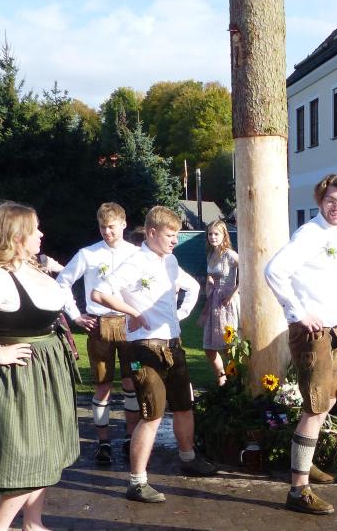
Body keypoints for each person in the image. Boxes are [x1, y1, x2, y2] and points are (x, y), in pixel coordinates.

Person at [0, 202, 80, 531]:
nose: (41, 233)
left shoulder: (32, 267)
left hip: (47, 369)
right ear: (16, 235)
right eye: (34, 229)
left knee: (48, 449)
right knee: (27, 456)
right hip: (19, 376)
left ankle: (33, 522)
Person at [90, 205, 216, 504]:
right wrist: (134, 312)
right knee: (152, 414)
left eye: (177, 235)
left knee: (184, 406)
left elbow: (193, 286)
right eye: (170, 235)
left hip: (173, 345)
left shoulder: (170, 261)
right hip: (144, 348)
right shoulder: (136, 261)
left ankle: (188, 458)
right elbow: (100, 293)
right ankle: (136, 482)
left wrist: (180, 314)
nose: (175, 240)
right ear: (151, 232)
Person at [264, 173, 337, 515]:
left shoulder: (332, 232)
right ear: (321, 200)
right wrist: (299, 313)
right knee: (316, 405)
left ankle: (307, 460)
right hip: (312, 334)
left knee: (327, 400)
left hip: (332, 331)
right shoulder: (310, 233)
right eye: (331, 200)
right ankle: (298, 488)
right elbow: (274, 270)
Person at [57, 202, 140, 464]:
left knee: (131, 382)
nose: (107, 232)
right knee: (102, 385)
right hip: (99, 326)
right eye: (103, 227)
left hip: (129, 327)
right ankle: (103, 442)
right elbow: (63, 282)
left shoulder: (138, 254)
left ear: (124, 224)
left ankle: (130, 439)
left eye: (112, 227)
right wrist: (76, 315)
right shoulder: (88, 254)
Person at [198, 219, 240, 385]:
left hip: (227, 303)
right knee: (209, 347)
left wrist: (233, 294)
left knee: (229, 347)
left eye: (216, 234)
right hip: (213, 302)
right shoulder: (211, 254)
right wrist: (209, 280)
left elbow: (248, 270)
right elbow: (212, 274)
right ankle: (222, 380)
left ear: (224, 235)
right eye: (210, 234)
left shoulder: (230, 254)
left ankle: (236, 381)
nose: (213, 237)